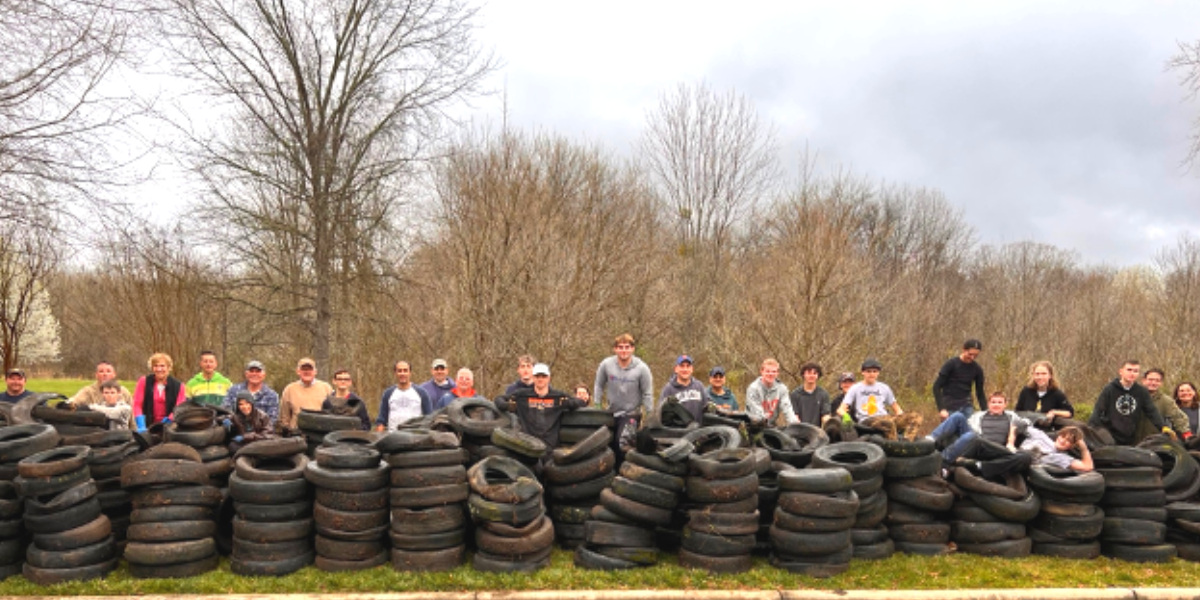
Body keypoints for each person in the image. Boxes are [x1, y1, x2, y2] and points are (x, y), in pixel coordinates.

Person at [495, 363, 586, 455]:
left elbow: (581, 402)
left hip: (550, 448)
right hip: (527, 446)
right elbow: (499, 399)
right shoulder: (522, 395)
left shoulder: (558, 396)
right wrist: (507, 405)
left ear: (549, 378)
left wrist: (569, 404)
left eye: (543, 376)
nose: (540, 379)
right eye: (538, 376)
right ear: (533, 378)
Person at [593, 333, 654, 460]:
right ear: (615, 349)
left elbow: (647, 393)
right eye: (620, 347)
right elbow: (599, 385)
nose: (624, 350)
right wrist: (597, 405)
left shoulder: (642, 368)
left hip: (631, 413)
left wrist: (649, 415)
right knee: (607, 444)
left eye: (627, 347)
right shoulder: (606, 365)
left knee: (622, 444)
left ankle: (623, 474)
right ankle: (610, 474)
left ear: (632, 349)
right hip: (611, 412)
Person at [926, 391, 1029, 464]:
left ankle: (940, 459)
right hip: (976, 441)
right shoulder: (979, 415)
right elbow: (966, 427)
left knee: (971, 436)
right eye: (993, 402)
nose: (996, 405)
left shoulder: (1011, 416)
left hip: (993, 448)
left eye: (999, 402)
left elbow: (1026, 423)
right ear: (988, 404)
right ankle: (930, 440)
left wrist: (1011, 439)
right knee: (958, 416)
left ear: (1005, 404)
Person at [1088, 360, 1173, 446]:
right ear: (1121, 371)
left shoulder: (1141, 391)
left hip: (1129, 436)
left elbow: (1151, 411)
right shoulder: (1109, 389)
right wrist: (1091, 429)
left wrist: (1163, 426)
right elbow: (1098, 410)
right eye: (1129, 370)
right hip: (1109, 433)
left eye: (1135, 371)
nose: (1132, 373)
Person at [837, 358, 920, 440]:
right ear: (863, 372)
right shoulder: (855, 388)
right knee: (888, 423)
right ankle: (895, 447)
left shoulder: (884, 388)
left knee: (915, 417)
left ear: (878, 373)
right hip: (867, 420)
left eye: (874, 371)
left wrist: (902, 420)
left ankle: (907, 443)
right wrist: (846, 416)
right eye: (868, 371)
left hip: (885, 417)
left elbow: (897, 409)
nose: (871, 374)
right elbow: (841, 409)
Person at [932, 339, 986, 421]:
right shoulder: (951, 364)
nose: (972, 358)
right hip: (950, 406)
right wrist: (941, 409)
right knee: (950, 432)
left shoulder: (977, 369)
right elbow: (936, 387)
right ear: (964, 349)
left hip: (967, 407)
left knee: (968, 432)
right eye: (970, 354)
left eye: (975, 356)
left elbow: (980, 393)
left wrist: (985, 412)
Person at [1136, 368, 1192, 442]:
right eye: (1150, 379)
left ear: (1161, 383)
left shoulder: (1166, 401)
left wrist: (1187, 435)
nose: (1153, 383)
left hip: (1152, 443)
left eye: (1157, 380)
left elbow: (1179, 418)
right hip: (1129, 443)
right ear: (1143, 380)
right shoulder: (1132, 396)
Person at [279, 357, 333, 432]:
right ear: (298, 371)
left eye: (310, 369)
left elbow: (332, 413)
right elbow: (284, 417)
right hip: (297, 433)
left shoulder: (326, 387)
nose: (307, 372)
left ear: (315, 372)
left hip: (320, 432)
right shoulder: (289, 389)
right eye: (304, 369)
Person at [375, 361, 432, 431]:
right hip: (393, 436)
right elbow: (381, 420)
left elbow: (429, 419)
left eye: (405, 371)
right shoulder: (388, 393)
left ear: (410, 373)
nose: (402, 373)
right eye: (399, 371)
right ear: (395, 373)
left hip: (415, 436)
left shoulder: (422, 393)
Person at [132, 353, 186, 428]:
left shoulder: (179, 386)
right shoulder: (143, 381)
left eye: (162, 366)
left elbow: (180, 408)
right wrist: (141, 424)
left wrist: (170, 419)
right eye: (155, 366)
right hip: (147, 425)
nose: (159, 369)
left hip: (170, 426)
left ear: (169, 367)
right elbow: (137, 404)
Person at [223, 360, 280, 428]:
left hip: (261, 435)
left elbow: (271, 421)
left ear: (264, 374)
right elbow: (225, 410)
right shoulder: (233, 390)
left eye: (258, 371)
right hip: (235, 431)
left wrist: (253, 433)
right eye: (251, 371)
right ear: (246, 374)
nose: (254, 374)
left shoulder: (272, 396)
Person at [67, 362, 134, 419]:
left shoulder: (124, 392)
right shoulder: (88, 391)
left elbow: (132, 415)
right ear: (96, 375)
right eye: (101, 371)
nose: (105, 374)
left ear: (114, 374)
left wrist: (90, 407)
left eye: (108, 371)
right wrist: (68, 404)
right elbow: (75, 400)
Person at [1020, 425, 1094, 473]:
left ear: (1072, 446)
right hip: (1014, 454)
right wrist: (1011, 442)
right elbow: (1016, 421)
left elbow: (1088, 466)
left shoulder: (1061, 458)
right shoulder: (1040, 435)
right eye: (1062, 436)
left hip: (1025, 465)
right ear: (1058, 435)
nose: (1063, 441)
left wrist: (1083, 448)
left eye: (1068, 440)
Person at [746, 358, 795, 426]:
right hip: (753, 426)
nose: (770, 374)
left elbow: (787, 408)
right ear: (762, 372)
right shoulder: (753, 389)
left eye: (774, 371)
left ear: (777, 373)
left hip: (771, 424)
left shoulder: (782, 389)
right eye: (767, 371)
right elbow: (757, 414)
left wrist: (794, 423)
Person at [659, 355, 706, 422]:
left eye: (688, 366)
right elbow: (660, 413)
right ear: (676, 369)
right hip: (679, 431)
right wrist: (667, 404)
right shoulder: (668, 389)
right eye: (682, 366)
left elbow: (706, 406)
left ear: (692, 369)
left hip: (698, 430)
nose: (685, 369)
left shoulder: (699, 386)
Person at [789, 362, 832, 426]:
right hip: (799, 431)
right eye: (809, 373)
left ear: (818, 375)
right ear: (803, 374)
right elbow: (795, 416)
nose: (811, 376)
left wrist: (831, 422)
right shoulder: (795, 394)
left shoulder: (823, 394)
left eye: (814, 373)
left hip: (816, 432)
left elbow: (825, 415)